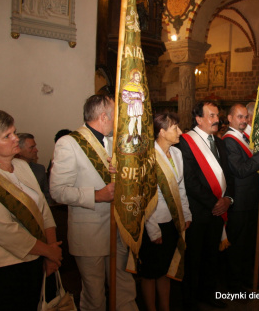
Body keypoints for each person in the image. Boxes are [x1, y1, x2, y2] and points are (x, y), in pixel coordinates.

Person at [0, 108, 62, 310]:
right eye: (7, 136)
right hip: (8, 268)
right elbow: (7, 233)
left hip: (40, 259)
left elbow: (43, 210)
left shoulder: (22, 166)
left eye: (14, 132)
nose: (15, 139)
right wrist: (50, 252)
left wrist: (51, 252)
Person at [50, 94, 138, 311]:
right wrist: (97, 195)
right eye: (116, 115)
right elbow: (57, 191)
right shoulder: (69, 143)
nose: (119, 120)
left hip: (117, 229)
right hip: (89, 234)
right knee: (94, 296)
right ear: (104, 116)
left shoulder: (113, 142)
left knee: (125, 289)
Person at [178, 101, 235, 309]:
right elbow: (190, 181)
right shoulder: (185, 142)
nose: (216, 120)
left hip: (218, 211)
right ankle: (190, 300)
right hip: (197, 212)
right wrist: (215, 203)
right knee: (194, 259)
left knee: (212, 257)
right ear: (198, 119)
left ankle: (208, 294)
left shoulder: (219, 142)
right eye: (211, 116)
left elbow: (228, 176)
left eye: (217, 116)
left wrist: (228, 199)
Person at [139, 112, 192, 311]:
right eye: (175, 128)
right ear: (161, 131)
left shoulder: (177, 153)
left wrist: (186, 214)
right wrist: (153, 230)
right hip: (154, 223)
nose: (180, 132)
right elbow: (143, 196)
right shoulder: (148, 156)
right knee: (150, 271)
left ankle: (165, 307)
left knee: (165, 269)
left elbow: (181, 188)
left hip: (172, 220)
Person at [222, 104, 259, 291]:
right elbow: (241, 170)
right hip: (240, 202)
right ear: (230, 118)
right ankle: (234, 285)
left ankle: (247, 279)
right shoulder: (229, 141)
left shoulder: (243, 138)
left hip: (252, 199)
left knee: (250, 243)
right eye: (239, 117)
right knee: (238, 245)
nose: (243, 121)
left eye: (245, 117)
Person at [16, 133, 53, 204]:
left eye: (35, 147)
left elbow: (47, 196)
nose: (36, 150)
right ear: (19, 150)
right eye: (31, 147)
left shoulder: (40, 169)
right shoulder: (11, 170)